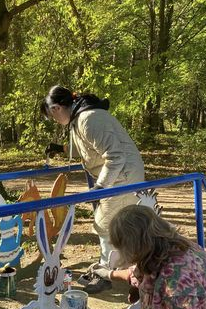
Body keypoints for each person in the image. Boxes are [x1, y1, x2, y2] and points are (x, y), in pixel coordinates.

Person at [41, 86, 145, 294]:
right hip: (119, 176)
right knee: (120, 225)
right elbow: (86, 147)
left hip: (122, 177)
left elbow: (116, 156)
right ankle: (129, 268)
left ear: (56, 108)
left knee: (104, 224)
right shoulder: (80, 119)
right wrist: (60, 148)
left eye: (51, 115)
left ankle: (105, 274)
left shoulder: (89, 118)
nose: (53, 120)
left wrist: (100, 188)